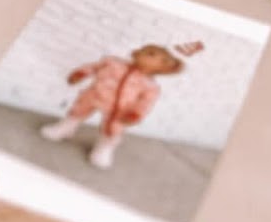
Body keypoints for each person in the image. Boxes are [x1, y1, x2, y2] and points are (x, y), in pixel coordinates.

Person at [41, 42, 198, 169]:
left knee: (113, 128)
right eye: (143, 49)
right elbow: (93, 67)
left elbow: (145, 103)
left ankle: (104, 148)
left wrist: (136, 114)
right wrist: (80, 73)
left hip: (118, 109)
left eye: (150, 53)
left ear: (162, 67)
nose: (139, 50)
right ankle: (66, 128)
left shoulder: (150, 86)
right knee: (77, 110)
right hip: (93, 94)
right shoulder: (112, 62)